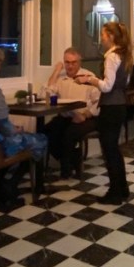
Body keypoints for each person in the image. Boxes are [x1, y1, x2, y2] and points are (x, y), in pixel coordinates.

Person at [74, 20, 131, 204]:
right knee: (114, 149)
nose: (101, 39)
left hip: (111, 107)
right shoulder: (124, 55)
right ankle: (122, 188)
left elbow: (107, 87)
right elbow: (123, 82)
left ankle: (115, 193)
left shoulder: (111, 57)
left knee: (109, 151)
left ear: (111, 36)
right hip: (120, 105)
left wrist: (89, 80)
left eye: (103, 35)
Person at [44, 47, 101, 179]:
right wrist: (56, 71)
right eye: (67, 62)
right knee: (45, 131)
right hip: (66, 116)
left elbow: (98, 103)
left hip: (87, 117)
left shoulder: (88, 77)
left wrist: (85, 115)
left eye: (73, 62)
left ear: (79, 62)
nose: (70, 66)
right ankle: (71, 160)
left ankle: (67, 168)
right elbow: (46, 94)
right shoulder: (60, 78)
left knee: (70, 133)